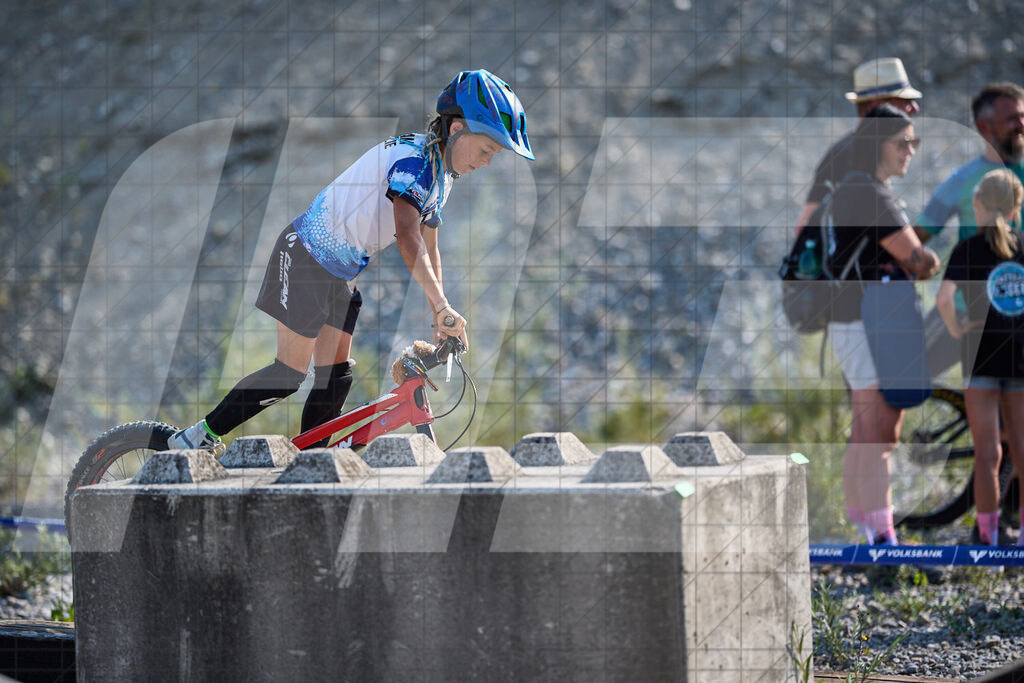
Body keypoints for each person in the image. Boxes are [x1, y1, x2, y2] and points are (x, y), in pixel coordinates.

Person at [168, 69, 535, 452]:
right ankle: (195, 438)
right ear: (457, 129)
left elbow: (430, 244)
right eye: (486, 151)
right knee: (288, 374)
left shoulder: (441, 175)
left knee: (335, 377)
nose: (487, 162)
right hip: (305, 258)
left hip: (339, 275)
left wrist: (439, 316)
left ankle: (310, 462)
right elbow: (408, 237)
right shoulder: (415, 163)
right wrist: (441, 306)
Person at [827, 104, 941, 545]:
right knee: (877, 427)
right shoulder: (871, 194)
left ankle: (861, 521)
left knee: (868, 423)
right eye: (902, 142)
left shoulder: (855, 188)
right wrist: (927, 259)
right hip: (866, 319)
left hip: (854, 317)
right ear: (879, 145)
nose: (910, 151)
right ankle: (882, 536)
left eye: (914, 142)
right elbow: (919, 259)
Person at [936, 169, 1024, 546]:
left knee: (988, 454)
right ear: (1016, 209)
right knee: (1022, 451)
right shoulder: (1022, 246)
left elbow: (943, 299)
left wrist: (957, 329)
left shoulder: (966, 249)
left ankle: (987, 538)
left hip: (979, 359)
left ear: (978, 206)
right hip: (1020, 359)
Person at [916, 83, 1024, 376]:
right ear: (983, 126)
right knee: (902, 373)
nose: (1021, 125)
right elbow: (917, 236)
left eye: (1023, 116)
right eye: (1011, 119)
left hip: (1018, 312)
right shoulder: (961, 181)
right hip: (968, 311)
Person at [795, 57, 922, 235]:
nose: (914, 108)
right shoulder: (845, 154)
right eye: (903, 100)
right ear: (877, 105)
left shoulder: (865, 150)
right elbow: (806, 227)